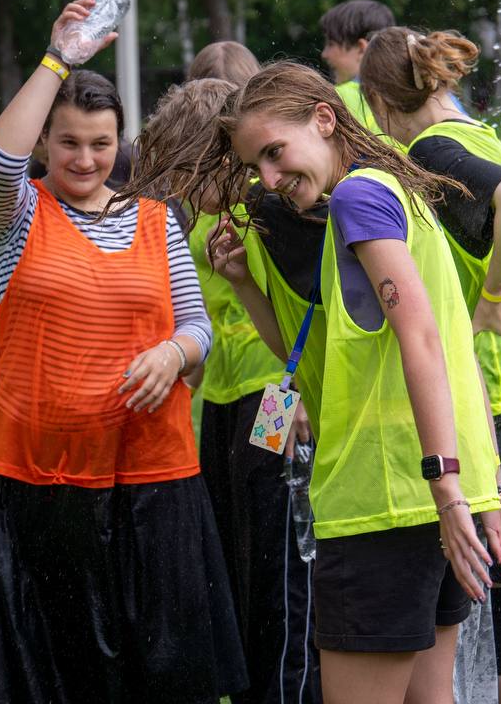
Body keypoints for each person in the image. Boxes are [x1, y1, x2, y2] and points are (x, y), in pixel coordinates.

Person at [118, 61, 501, 704]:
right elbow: (326, 351)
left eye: (271, 154)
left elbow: (421, 340)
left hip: (376, 486)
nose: (262, 178)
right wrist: (478, 484)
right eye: (252, 163)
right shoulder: (355, 195)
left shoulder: (348, 198)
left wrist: (455, 488)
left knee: (305, 614)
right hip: (405, 474)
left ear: (323, 119)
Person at [0, 0, 245, 703]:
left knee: (163, 663)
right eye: (68, 143)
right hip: (44, 479)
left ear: (120, 141)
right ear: (45, 144)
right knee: (65, 666)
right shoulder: (17, 216)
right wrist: (58, 57)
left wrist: (175, 354)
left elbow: (197, 325)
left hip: (154, 473)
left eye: (101, 143)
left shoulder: (156, 220)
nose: (86, 158)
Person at [359, 28, 501, 704]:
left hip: (500, 398)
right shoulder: (479, 134)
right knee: (494, 595)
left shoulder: (431, 149)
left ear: (377, 103)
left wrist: (493, 292)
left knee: (495, 597)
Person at [134, 72, 322, 704]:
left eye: (187, 169)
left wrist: (291, 400)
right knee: (237, 555)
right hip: (220, 401)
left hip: (272, 396)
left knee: (274, 559)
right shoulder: (210, 217)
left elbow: (304, 317)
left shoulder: (269, 211)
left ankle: (283, 687)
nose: (180, 187)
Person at [319, 0, 395, 134]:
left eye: (331, 44)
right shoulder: (407, 93)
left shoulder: (336, 99)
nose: (325, 54)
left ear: (361, 48)